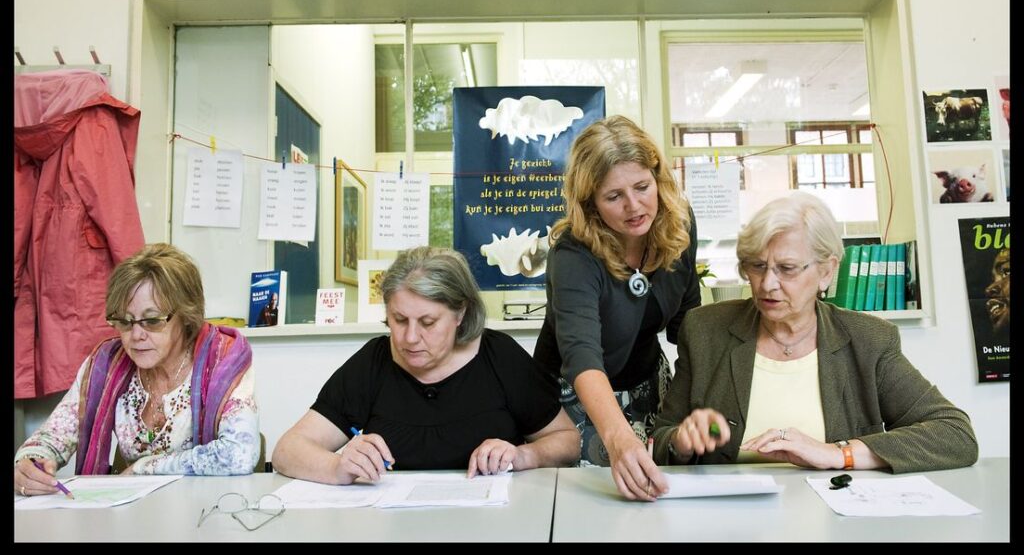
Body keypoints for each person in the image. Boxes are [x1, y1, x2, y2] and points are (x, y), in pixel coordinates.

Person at [652, 192, 978, 474]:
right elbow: (662, 437)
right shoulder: (706, 330)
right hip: (732, 523)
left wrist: (840, 454)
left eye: (787, 269)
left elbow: (954, 434)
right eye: (757, 266)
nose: (767, 284)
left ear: (827, 271)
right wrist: (681, 441)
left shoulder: (868, 340)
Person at [272, 246, 579, 484]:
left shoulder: (498, 356)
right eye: (399, 320)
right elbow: (288, 450)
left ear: (460, 314)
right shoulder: (374, 363)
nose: (410, 338)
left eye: (428, 322)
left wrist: (521, 455)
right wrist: (337, 467)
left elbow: (567, 442)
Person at [533, 115, 701, 501]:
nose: (634, 206)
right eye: (613, 197)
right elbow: (582, 356)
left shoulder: (679, 225)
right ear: (590, 202)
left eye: (643, 187)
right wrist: (618, 436)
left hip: (646, 382)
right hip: (573, 396)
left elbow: (689, 326)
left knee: (660, 498)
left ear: (657, 178)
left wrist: (699, 401)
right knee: (592, 502)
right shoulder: (574, 253)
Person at [14, 244, 260, 496]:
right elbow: (51, 438)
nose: (136, 335)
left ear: (187, 316)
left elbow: (239, 454)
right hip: (130, 513)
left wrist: (146, 467)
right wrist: (30, 462)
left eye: (152, 321)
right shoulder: (105, 363)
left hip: (203, 512)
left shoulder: (222, 359)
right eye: (124, 321)